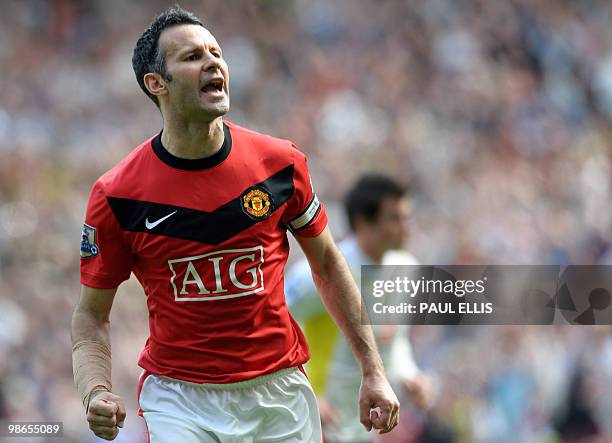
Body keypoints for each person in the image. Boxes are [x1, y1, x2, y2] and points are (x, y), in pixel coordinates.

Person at [70, 6, 399, 443]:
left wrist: (373, 370)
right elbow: (91, 317)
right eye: (191, 57)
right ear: (156, 84)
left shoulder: (280, 164)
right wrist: (95, 390)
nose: (213, 63)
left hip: (278, 393)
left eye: (216, 52)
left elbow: (328, 266)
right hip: (180, 399)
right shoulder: (117, 194)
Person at [285, 174, 434, 443]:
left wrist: (410, 374)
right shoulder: (323, 272)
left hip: (360, 429)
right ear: (363, 222)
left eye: (406, 218)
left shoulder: (406, 268)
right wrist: (304, 393)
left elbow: (394, 341)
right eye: (395, 218)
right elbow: (276, 323)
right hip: (314, 422)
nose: (407, 228)